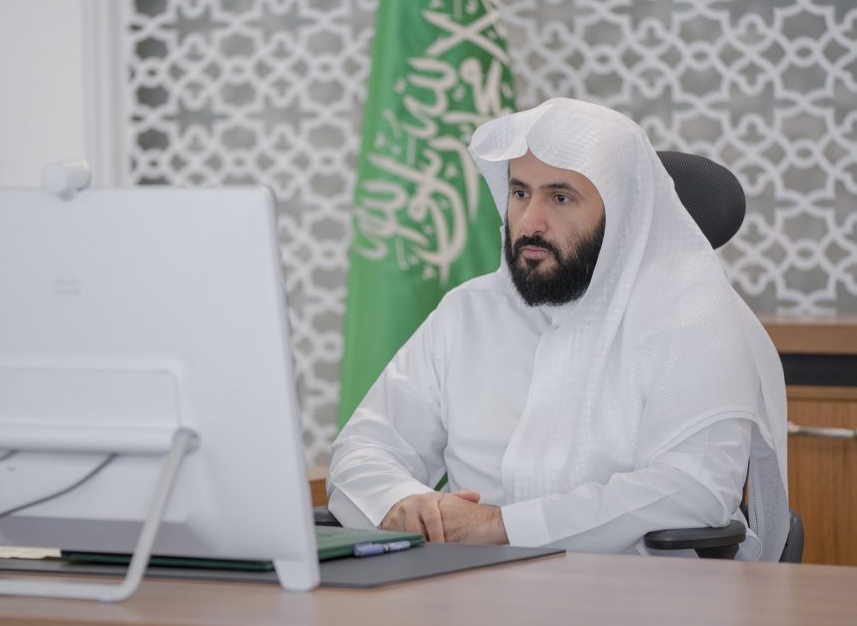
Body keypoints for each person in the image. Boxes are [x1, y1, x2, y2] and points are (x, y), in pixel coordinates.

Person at [327, 98, 789, 560]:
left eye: (560, 197)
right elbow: (365, 446)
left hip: (635, 590)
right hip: (467, 584)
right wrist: (401, 504)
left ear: (622, 214)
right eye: (520, 193)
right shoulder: (467, 312)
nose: (530, 222)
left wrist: (500, 527)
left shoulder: (694, 318)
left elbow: (695, 487)